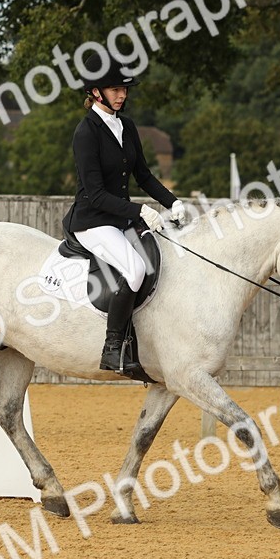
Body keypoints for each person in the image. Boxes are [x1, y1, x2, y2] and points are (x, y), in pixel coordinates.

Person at [62, 63, 185, 375]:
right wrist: (140, 210)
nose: (122, 95)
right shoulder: (86, 132)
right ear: (96, 92)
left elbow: (143, 175)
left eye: (124, 89)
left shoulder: (126, 126)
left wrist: (172, 202)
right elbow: (96, 194)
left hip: (119, 219)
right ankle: (113, 347)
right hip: (92, 221)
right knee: (135, 269)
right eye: (115, 89)